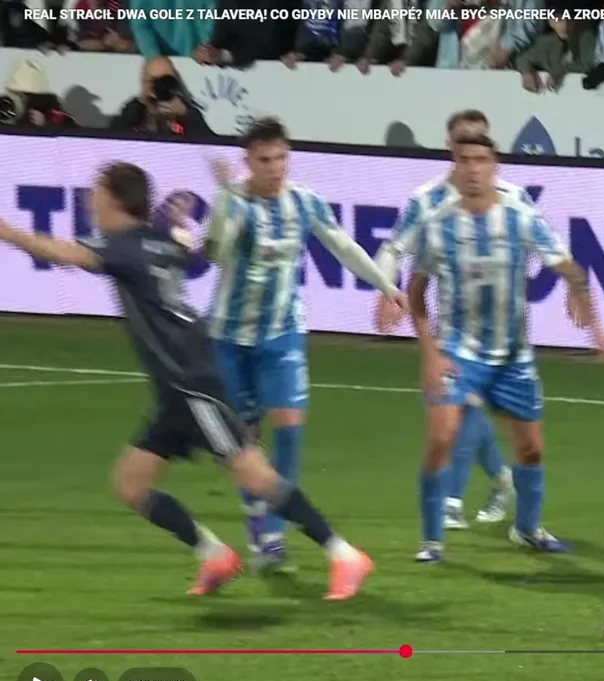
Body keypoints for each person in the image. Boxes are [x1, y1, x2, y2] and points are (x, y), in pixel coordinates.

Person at [0, 163, 373, 600]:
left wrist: (6, 231)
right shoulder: (155, 241)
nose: (89, 200)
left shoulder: (123, 246)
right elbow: (195, 258)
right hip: (175, 388)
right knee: (130, 484)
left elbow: (61, 253)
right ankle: (214, 554)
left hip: (191, 382)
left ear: (115, 198)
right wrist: (186, 225)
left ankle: (344, 555)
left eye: (95, 192)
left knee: (254, 476)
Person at [201, 118, 406, 572]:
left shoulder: (303, 201)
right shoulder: (234, 203)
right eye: (265, 160)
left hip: (283, 332)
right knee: (243, 441)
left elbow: (343, 246)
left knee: (290, 426)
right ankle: (259, 521)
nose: (275, 168)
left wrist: (386, 285)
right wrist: (223, 202)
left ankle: (273, 532)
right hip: (229, 335)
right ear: (248, 160)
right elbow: (214, 253)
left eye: (281, 158)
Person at [405, 134, 604, 563]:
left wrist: (589, 315)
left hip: (513, 357)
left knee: (531, 449)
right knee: (441, 437)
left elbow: (567, 264)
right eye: (465, 161)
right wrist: (430, 352)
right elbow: (417, 292)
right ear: (455, 167)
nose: (473, 169)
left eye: (481, 160)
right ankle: (431, 542)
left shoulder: (520, 219)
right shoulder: (438, 225)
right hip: (457, 352)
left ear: (494, 165)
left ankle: (527, 529)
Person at [375, 109, 532, 539]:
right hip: (451, 330)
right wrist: (386, 289)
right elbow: (394, 247)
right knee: (463, 408)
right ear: (450, 146)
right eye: (463, 140)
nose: (470, 149)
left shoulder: (511, 198)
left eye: (478, 140)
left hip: (500, 334)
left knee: (467, 408)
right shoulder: (426, 199)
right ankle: (488, 486)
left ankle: (468, 494)